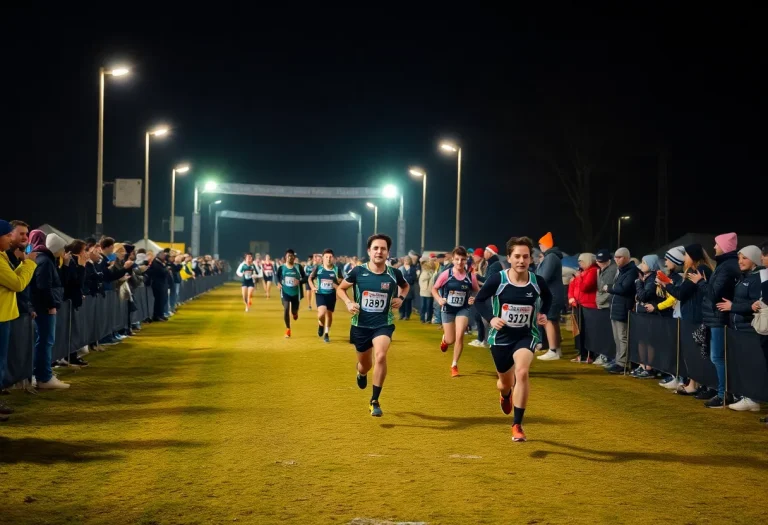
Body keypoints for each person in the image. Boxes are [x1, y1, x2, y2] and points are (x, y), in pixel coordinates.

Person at [475, 237, 551, 442]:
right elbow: (479, 300)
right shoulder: (498, 280)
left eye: (525, 257)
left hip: (526, 336)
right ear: (509, 258)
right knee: (504, 383)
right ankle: (506, 394)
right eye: (517, 256)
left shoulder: (537, 282)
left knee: (522, 372)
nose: (521, 261)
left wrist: (543, 313)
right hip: (500, 338)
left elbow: (548, 297)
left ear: (530, 259)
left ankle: (517, 424)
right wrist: (491, 318)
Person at [337, 234, 409, 417]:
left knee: (381, 355)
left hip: (383, 324)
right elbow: (340, 288)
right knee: (365, 365)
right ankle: (361, 373)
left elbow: (406, 286)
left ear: (388, 252)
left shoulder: (394, 274)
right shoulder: (358, 271)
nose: (379, 251)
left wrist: (401, 298)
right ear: (369, 251)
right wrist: (348, 302)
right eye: (375, 248)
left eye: (383, 248)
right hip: (360, 325)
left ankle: (374, 401)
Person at [690, 233, 740, 408]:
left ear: (724, 247)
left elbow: (713, 294)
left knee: (717, 357)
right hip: (715, 317)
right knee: (716, 357)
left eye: (717, 244)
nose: (714, 247)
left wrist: (700, 282)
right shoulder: (725, 265)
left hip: (719, 318)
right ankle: (723, 392)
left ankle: (723, 394)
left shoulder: (726, 267)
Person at [0, 220, 38, 420]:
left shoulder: (2, 257)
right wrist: (29, 263)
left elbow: (11, 281)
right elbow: (17, 284)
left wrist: (23, 264)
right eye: (7, 235)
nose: (10, 239)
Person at [432, 247, 479, 377]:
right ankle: (445, 339)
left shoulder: (470, 276)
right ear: (452, 260)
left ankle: (454, 365)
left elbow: (476, 290)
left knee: (460, 336)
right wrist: (439, 299)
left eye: (462, 259)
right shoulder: (446, 274)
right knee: (450, 339)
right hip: (448, 309)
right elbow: (434, 289)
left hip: (463, 309)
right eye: (457, 259)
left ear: (466, 260)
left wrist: (473, 298)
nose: (459, 262)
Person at [603, 247, 638, 374]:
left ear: (627, 257)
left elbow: (623, 288)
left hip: (624, 307)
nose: (616, 260)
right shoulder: (622, 271)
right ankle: (619, 360)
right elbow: (620, 287)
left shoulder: (632, 271)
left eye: (620, 257)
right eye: (615, 257)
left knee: (623, 336)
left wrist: (610, 288)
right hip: (616, 306)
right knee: (617, 337)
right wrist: (614, 287)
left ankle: (623, 364)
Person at [536, 232, 565, 361]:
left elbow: (544, 277)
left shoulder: (551, 257)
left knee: (548, 320)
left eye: (540, 244)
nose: (539, 246)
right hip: (555, 293)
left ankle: (552, 350)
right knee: (553, 321)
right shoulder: (553, 257)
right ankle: (557, 349)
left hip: (551, 294)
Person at [309, 249, 341, 343]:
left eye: (330, 257)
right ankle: (321, 324)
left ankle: (326, 333)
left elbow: (341, 281)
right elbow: (310, 279)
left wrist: (337, 285)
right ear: (323, 258)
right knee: (321, 314)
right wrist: (312, 287)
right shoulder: (318, 268)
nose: (328, 259)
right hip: (320, 294)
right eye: (326, 257)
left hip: (331, 294)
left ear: (333, 258)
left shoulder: (336, 269)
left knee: (329, 314)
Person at [276, 249, 306, 338]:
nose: (290, 257)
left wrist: (299, 281)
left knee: (294, 310)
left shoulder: (298, 267)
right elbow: (276, 276)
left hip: (296, 293)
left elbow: (305, 278)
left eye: (292, 256)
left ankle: (295, 313)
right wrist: (278, 283)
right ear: (285, 257)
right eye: (288, 256)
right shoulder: (281, 268)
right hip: (285, 292)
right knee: (286, 309)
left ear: (294, 257)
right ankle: (288, 329)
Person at [399, 256, 418, 320]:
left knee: (408, 302)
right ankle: (401, 314)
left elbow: (414, 278)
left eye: (408, 260)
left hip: (409, 287)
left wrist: (405, 278)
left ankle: (407, 315)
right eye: (405, 260)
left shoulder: (412, 269)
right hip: (401, 287)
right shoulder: (401, 268)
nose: (406, 261)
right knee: (401, 301)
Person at [418, 256, 435, 324]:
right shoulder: (424, 272)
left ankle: (428, 319)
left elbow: (432, 282)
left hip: (429, 291)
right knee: (423, 306)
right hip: (423, 291)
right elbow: (421, 280)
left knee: (428, 306)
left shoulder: (431, 272)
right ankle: (423, 318)